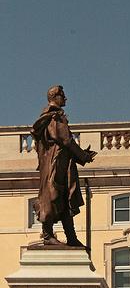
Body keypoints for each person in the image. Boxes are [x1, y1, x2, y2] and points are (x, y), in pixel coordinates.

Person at [31, 85, 97, 246]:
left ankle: (71, 238)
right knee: (53, 195)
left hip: (59, 162)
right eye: (63, 96)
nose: (66, 99)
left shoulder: (49, 117)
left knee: (65, 196)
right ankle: (48, 235)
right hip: (57, 163)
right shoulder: (56, 117)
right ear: (55, 97)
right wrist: (84, 156)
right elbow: (66, 140)